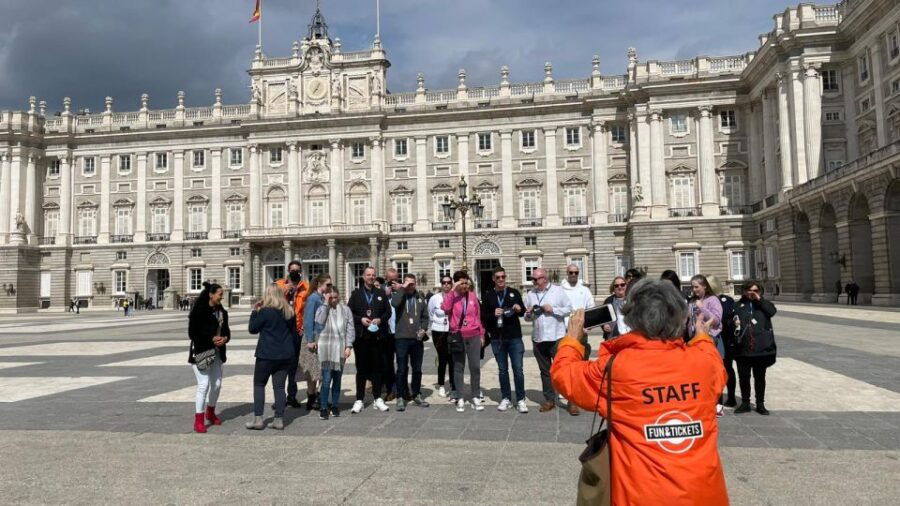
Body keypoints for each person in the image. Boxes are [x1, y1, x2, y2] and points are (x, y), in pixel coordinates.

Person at [551, 280, 728, 506]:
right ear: (680, 317)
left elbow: (565, 376)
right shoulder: (703, 362)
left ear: (632, 318)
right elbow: (715, 365)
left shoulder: (617, 367)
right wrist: (702, 336)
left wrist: (572, 341)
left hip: (642, 494)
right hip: (704, 494)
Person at [246, 283, 298, 430]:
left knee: (259, 384)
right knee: (280, 387)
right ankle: (279, 419)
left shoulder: (265, 311)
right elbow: (293, 333)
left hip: (267, 354)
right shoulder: (289, 311)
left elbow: (252, 329)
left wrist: (254, 312)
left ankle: (258, 419)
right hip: (285, 354)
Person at [524, 267, 573, 413]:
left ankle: (572, 400)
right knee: (545, 372)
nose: (533, 281)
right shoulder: (530, 294)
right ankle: (549, 400)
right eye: (532, 279)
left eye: (536, 279)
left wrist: (553, 309)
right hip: (539, 338)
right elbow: (527, 318)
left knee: (563, 371)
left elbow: (569, 308)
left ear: (545, 279)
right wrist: (528, 314)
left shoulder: (557, 291)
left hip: (556, 337)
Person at [480, 266, 528, 413]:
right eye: (498, 277)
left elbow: (523, 312)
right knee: (502, 370)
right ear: (493, 279)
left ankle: (520, 399)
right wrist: (493, 314)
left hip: (514, 337)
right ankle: (506, 397)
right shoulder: (488, 295)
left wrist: (519, 309)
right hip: (497, 338)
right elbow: (483, 317)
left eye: (503, 277)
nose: (501, 279)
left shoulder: (514, 293)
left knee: (518, 370)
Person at [187, 281, 231, 434]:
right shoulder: (199, 311)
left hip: (218, 352)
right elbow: (193, 333)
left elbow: (227, 332)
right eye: (220, 295)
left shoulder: (222, 312)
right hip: (202, 351)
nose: (222, 298)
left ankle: (210, 412)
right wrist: (211, 338)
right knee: (203, 384)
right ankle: (198, 420)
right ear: (211, 295)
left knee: (217, 384)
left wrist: (224, 339)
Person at [347, 266, 392, 413]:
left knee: (377, 368)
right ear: (363, 277)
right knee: (361, 369)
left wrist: (380, 319)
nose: (371, 277)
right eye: (368, 275)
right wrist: (360, 319)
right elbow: (349, 313)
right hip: (361, 337)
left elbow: (388, 312)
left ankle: (377, 398)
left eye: (373, 275)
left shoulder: (381, 293)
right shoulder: (356, 294)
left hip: (377, 336)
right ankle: (359, 399)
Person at [441, 270, 485, 412]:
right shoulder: (452, 296)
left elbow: (478, 317)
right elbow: (445, 308)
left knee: (475, 368)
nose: (464, 285)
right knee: (458, 368)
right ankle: (460, 397)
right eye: (461, 282)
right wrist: (453, 290)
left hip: (473, 336)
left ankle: (475, 396)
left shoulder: (472, 296)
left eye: (466, 282)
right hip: (458, 336)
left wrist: (482, 334)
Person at [733, 280, 777, 415]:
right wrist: (734, 322)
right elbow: (729, 320)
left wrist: (760, 300)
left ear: (760, 292)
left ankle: (760, 404)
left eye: (755, 291)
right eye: (749, 290)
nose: (752, 293)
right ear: (744, 291)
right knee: (744, 376)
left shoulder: (765, 305)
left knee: (760, 377)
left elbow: (772, 312)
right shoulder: (738, 305)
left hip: (761, 349)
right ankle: (745, 402)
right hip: (743, 348)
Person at [390, 273, 431, 411]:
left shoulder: (420, 298)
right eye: (408, 283)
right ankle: (400, 396)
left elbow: (425, 317)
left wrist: (424, 329)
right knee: (401, 369)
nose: (410, 286)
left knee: (417, 369)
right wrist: (402, 288)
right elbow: (394, 303)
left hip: (417, 339)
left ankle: (416, 393)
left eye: (412, 283)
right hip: (401, 338)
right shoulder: (400, 296)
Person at [314, 286, 355, 420]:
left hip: (340, 348)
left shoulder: (345, 309)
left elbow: (350, 328)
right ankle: (324, 407)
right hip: (326, 349)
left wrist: (349, 346)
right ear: (326, 297)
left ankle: (335, 405)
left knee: (337, 379)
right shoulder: (321, 308)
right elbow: (319, 324)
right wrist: (325, 304)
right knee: (326, 380)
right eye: (330, 297)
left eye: (335, 297)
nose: (333, 300)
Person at [275, 260, 311, 409]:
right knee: (280, 364)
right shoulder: (278, 285)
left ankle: (292, 395)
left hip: (297, 330)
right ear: (288, 271)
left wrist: (304, 326)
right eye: (292, 270)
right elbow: (272, 303)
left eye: (297, 270)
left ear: (301, 271)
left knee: (293, 364)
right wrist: (284, 291)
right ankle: (279, 397)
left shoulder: (306, 287)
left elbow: (308, 309)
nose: (295, 272)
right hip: (281, 330)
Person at [300, 274, 331, 411]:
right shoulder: (313, 298)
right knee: (313, 371)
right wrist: (310, 340)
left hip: (322, 337)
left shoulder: (323, 298)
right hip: (313, 338)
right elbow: (308, 320)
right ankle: (312, 399)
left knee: (320, 369)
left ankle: (317, 398)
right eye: (327, 284)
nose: (329, 287)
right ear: (319, 284)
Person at [708, 275, 737, 411]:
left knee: (727, 368)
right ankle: (717, 398)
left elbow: (726, 317)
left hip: (725, 339)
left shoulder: (727, 300)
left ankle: (731, 396)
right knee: (713, 370)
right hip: (711, 339)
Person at [560, 263, 595, 365]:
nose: (573, 274)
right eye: (571, 272)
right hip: (564, 331)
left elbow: (591, 308)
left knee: (582, 358)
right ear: (567, 273)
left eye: (576, 272)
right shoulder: (560, 290)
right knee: (566, 358)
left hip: (581, 330)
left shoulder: (585, 290)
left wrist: (588, 326)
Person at [428, 275, 456, 398]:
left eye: (448, 282)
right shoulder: (434, 298)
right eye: (443, 282)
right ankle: (441, 384)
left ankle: (453, 384)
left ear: (452, 284)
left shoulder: (455, 297)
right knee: (442, 357)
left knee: (453, 359)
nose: (446, 284)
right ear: (441, 284)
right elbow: (430, 313)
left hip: (452, 330)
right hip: (438, 331)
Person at [688, 275, 723, 357]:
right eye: (692, 287)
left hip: (709, 338)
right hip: (694, 338)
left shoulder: (713, 299)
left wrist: (702, 308)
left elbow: (717, 320)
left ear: (704, 286)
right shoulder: (692, 301)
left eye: (696, 287)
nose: (694, 289)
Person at [381, 268, 402, 401]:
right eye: (390, 280)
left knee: (402, 363)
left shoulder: (401, 290)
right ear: (386, 278)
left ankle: (402, 389)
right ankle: (391, 389)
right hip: (386, 333)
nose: (393, 282)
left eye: (395, 279)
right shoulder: (381, 291)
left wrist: (401, 290)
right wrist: (384, 294)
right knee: (387, 364)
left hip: (400, 332)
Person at [601, 276, 630, 340]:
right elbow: (602, 318)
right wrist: (604, 325)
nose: (620, 287)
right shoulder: (608, 301)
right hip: (615, 337)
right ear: (613, 288)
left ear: (626, 286)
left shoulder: (633, 300)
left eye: (622, 285)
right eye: (616, 286)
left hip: (631, 336)